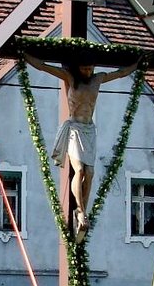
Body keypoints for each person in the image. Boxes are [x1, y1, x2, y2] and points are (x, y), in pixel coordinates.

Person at [24, 54, 139, 240]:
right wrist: (25, 56)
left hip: (89, 130)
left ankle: (82, 211)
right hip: (75, 129)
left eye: (90, 68)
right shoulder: (70, 78)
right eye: (84, 68)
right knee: (79, 170)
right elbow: (44, 66)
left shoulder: (98, 79)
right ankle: (79, 208)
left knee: (91, 172)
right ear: (77, 68)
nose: (87, 71)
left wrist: (138, 63)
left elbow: (121, 73)